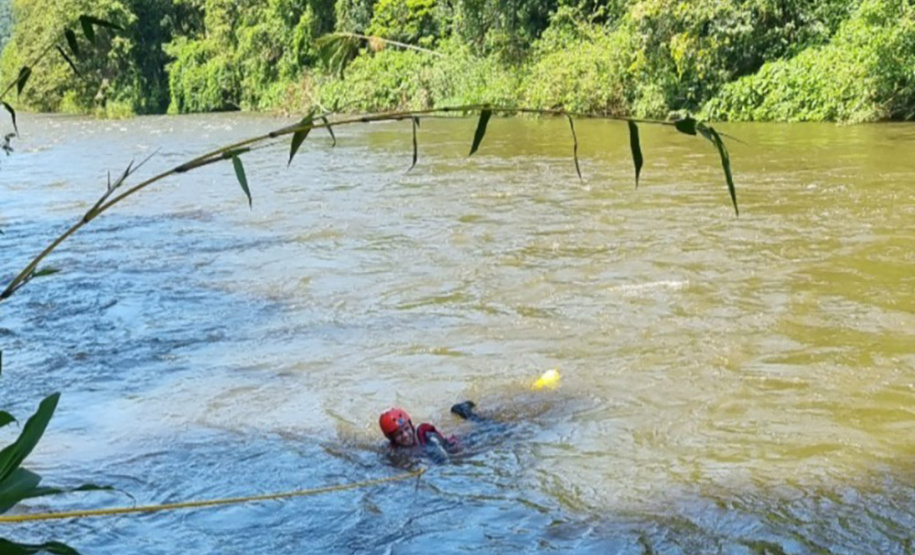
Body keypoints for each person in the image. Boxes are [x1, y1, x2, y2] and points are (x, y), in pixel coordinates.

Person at [379, 402, 483, 462]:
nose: (405, 435)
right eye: (399, 434)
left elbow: (442, 458)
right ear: (391, 439)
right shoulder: (392, 449)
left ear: (411, 426)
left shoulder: (426, 436)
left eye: (406, 429)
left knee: (489, 430)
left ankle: (467, 413)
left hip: (456, 445)